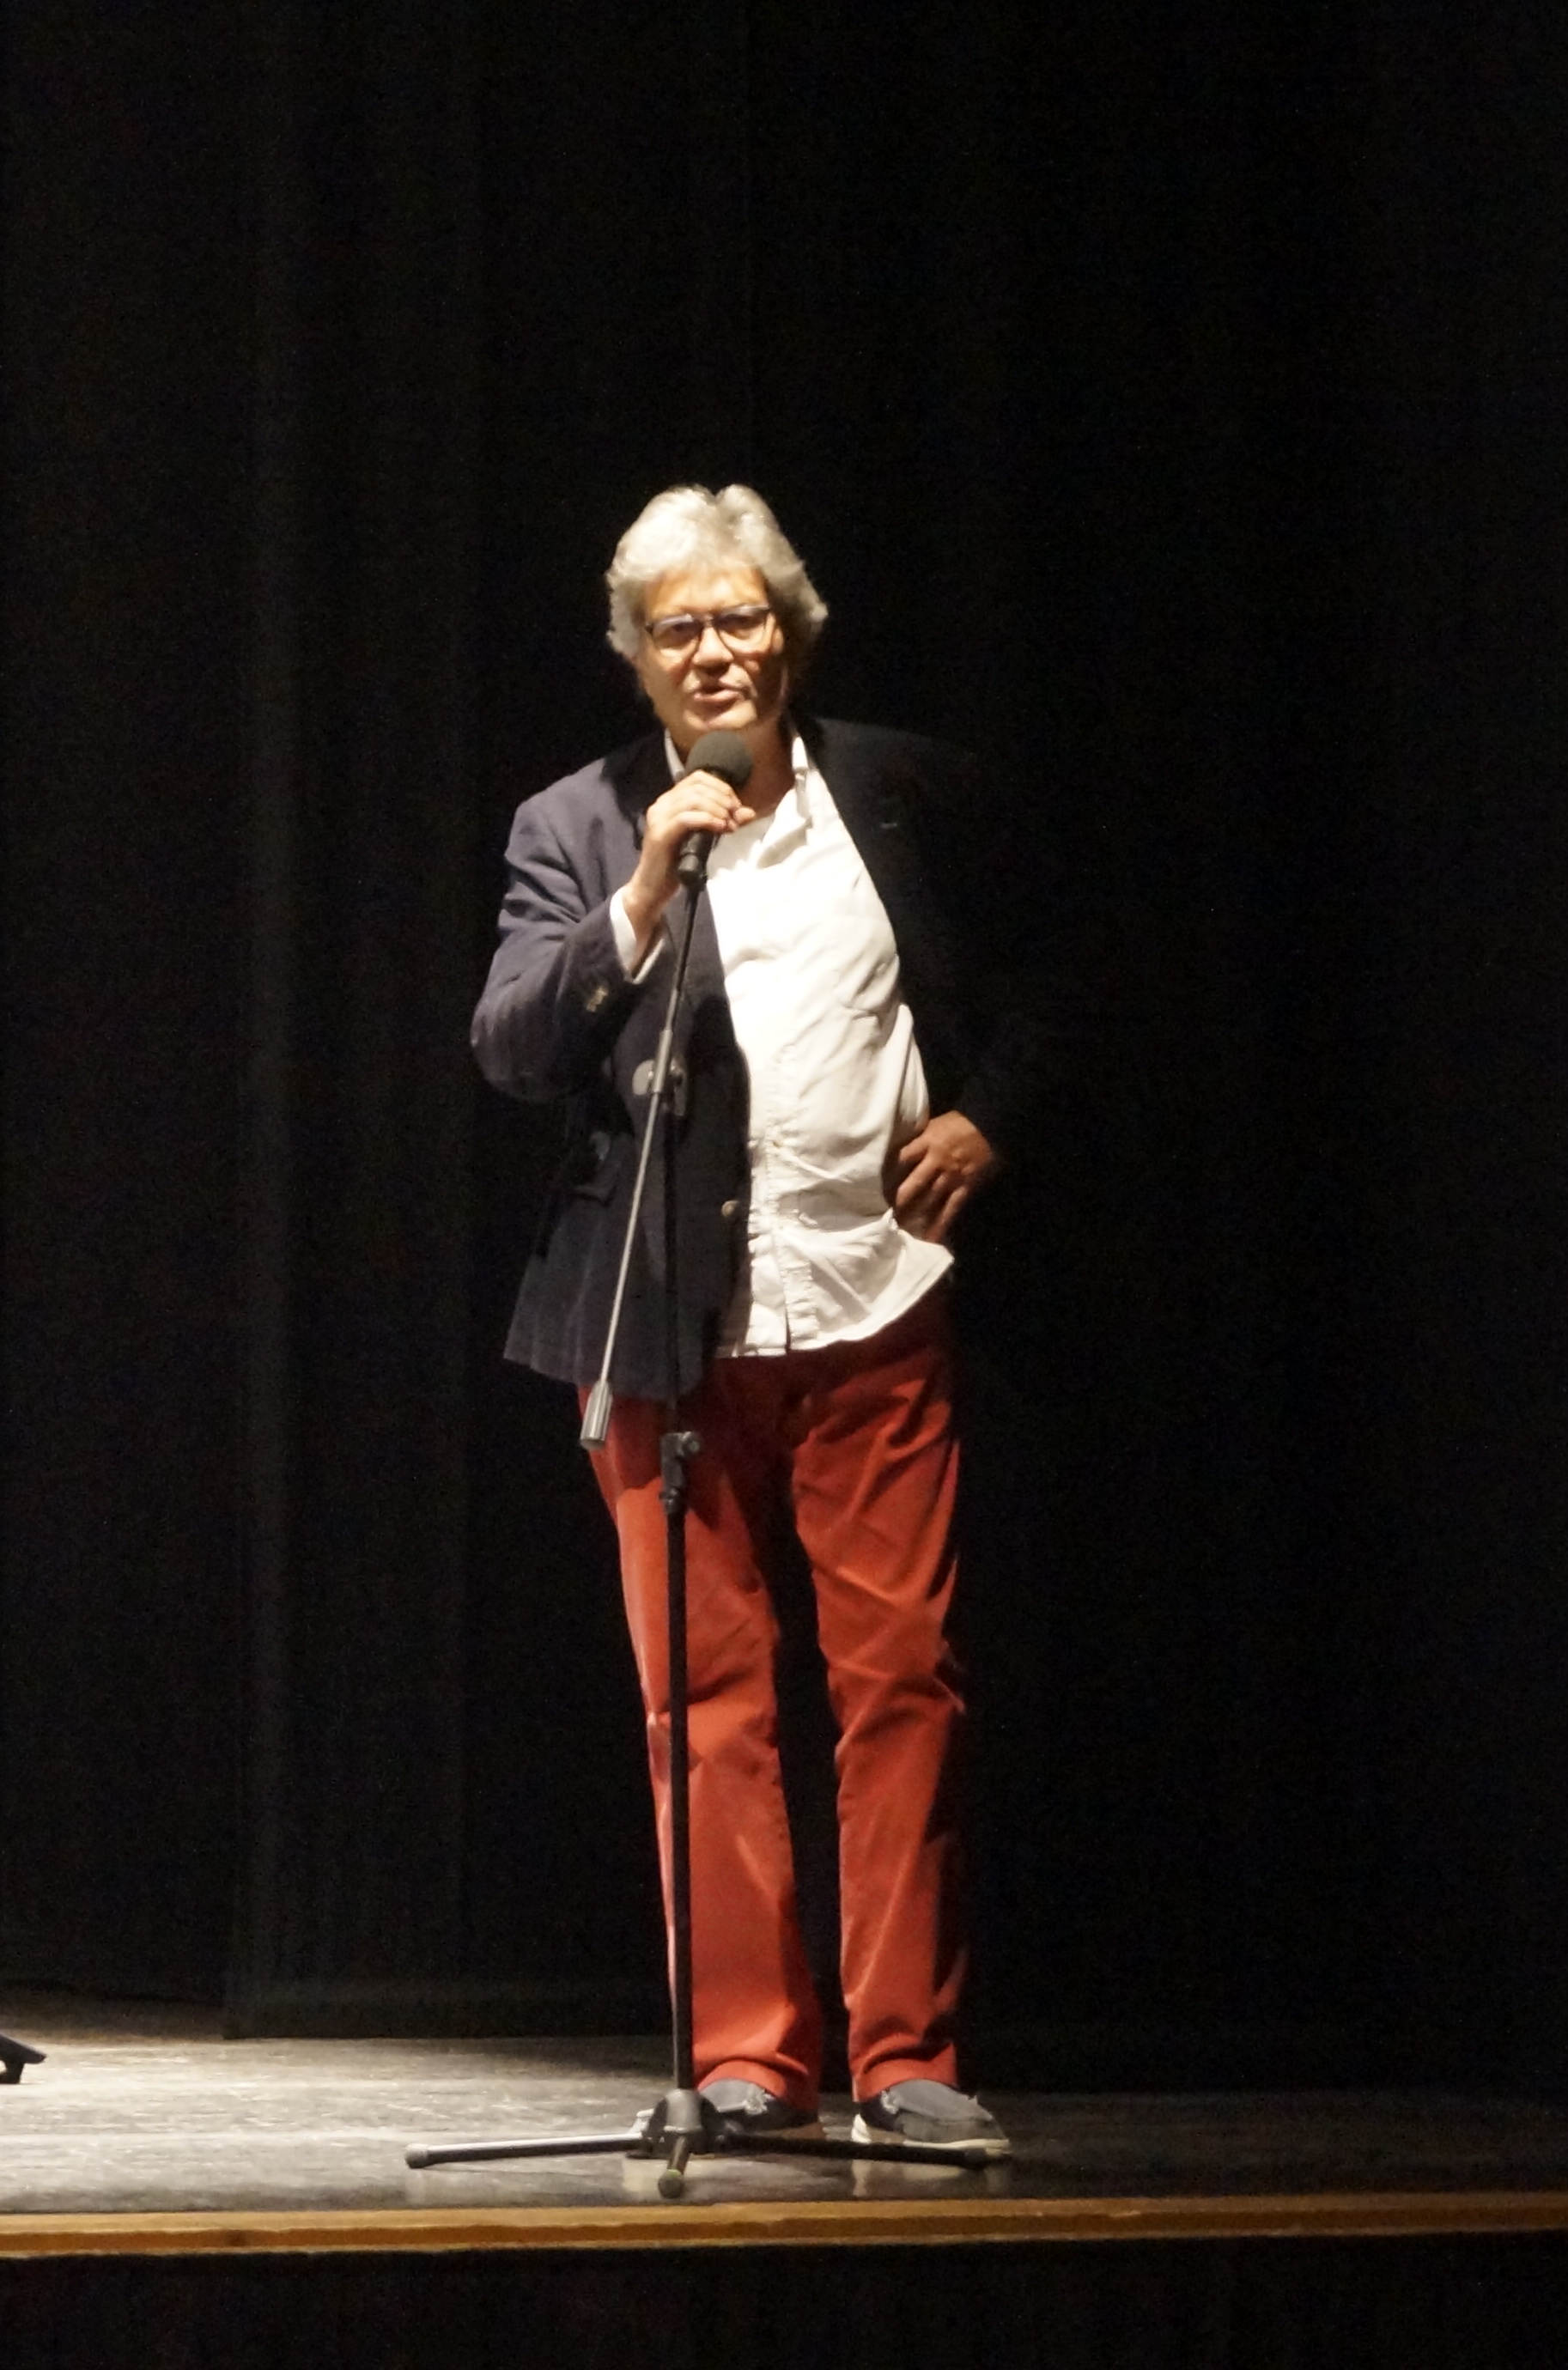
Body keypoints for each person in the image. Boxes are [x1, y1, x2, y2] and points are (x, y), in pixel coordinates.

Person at [471, 484, 1086, 2153]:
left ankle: (906, 2058)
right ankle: (749, 2055)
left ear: (789, 635)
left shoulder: (902, 794)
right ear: (636, 660)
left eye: (738, 619)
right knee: (706, 1702)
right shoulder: (580, 823)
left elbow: (1060, 961)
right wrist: (642, 896)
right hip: (663, 1336)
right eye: (676, 629)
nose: (713, 651)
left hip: (872, 1306)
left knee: (904, 1685)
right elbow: (512, 1044)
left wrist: (989, 1118)